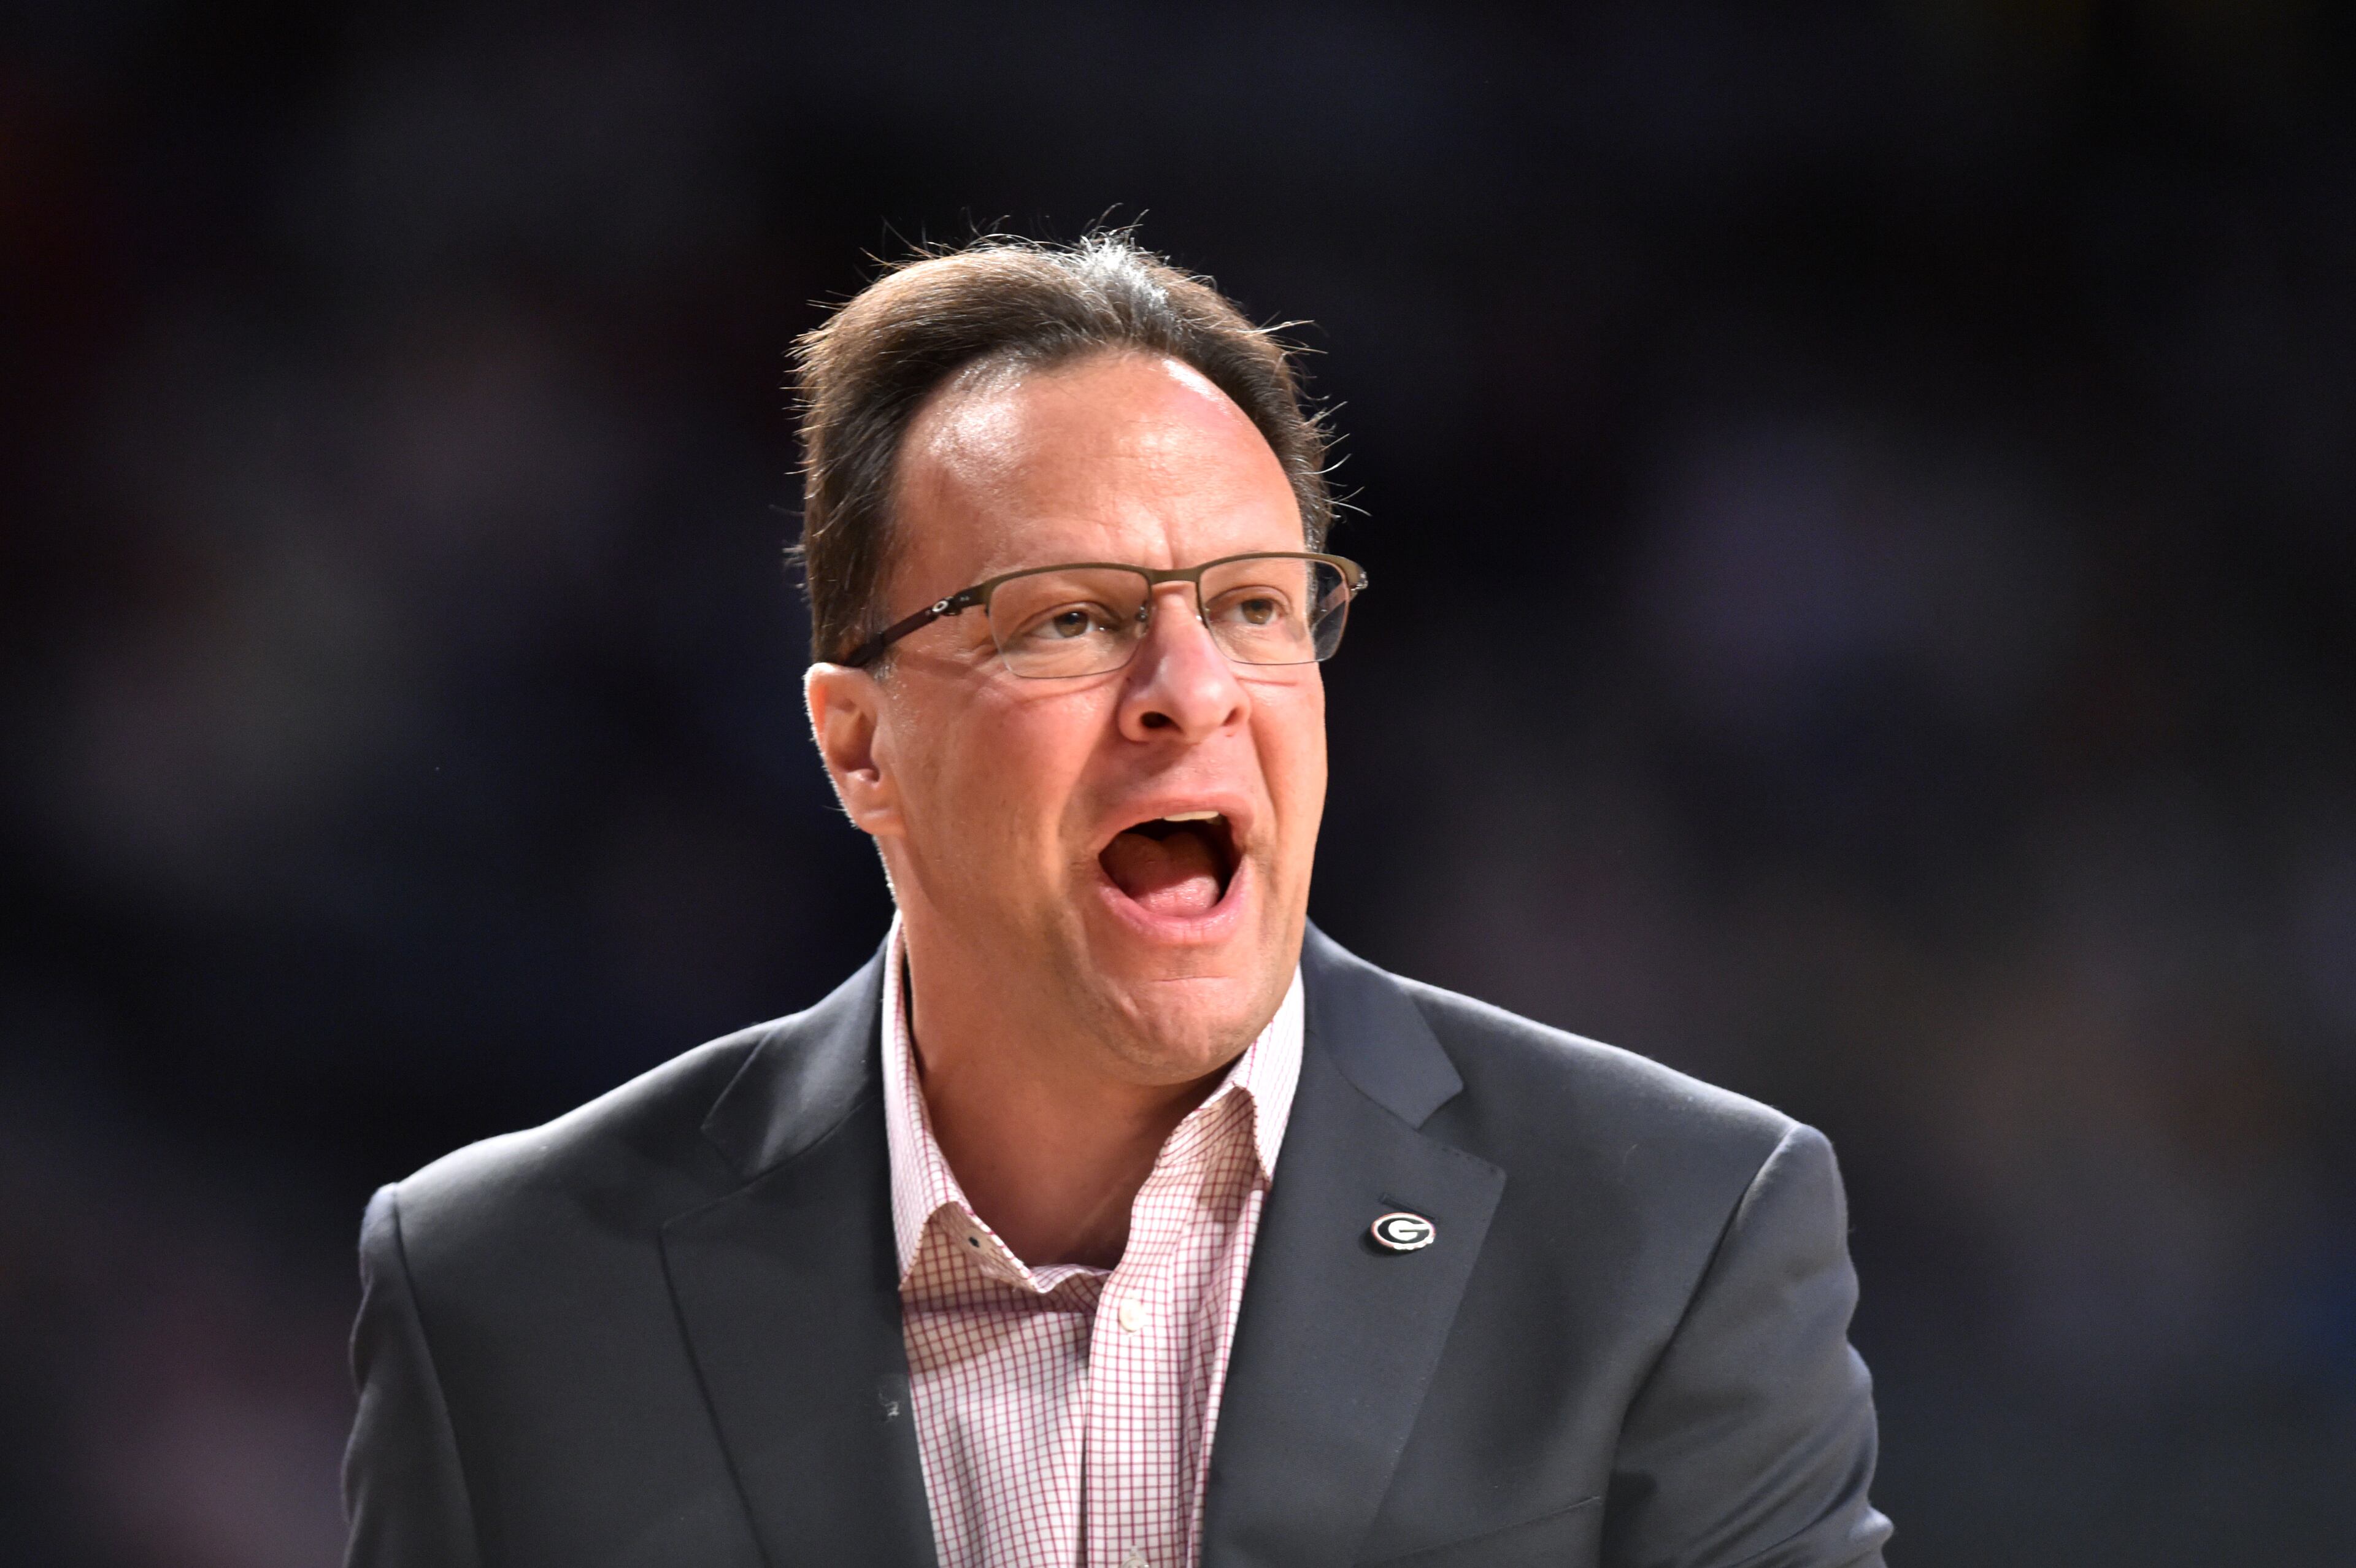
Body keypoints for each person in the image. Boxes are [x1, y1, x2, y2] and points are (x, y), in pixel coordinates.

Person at [342, 232, 1892, 1568]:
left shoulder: (1677, 1238)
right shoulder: (511, 1291)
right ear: (858, 745)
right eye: (1071, 619)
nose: (1190, 691)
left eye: (1252, 608)